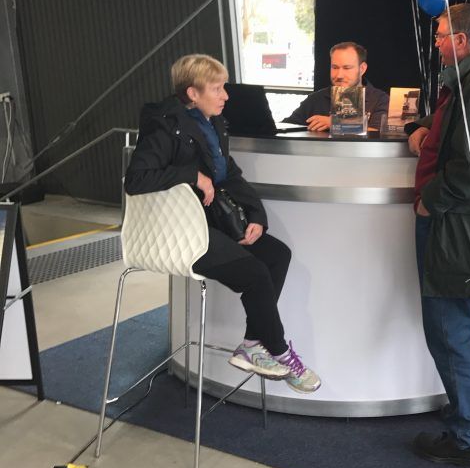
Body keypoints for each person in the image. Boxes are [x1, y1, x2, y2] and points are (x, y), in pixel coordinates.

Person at [124, 54, 321, 394]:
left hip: (206, 225)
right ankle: (278, 351)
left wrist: (256, 215)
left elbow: (229, 174)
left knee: (277, 255)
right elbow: (136, 179)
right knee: (256, 274)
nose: (225, 96)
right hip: (177, 233)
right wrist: (193, 175)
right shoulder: (164, 123)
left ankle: (253, 344)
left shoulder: (212, 124)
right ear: (193, 93)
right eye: (216, 89)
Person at [406, 4, 470, 465]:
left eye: (442, 35)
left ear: (462, 41)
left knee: (450, 329)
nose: (436, 43)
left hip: (456, 226)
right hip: (467, 226)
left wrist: (430, 199)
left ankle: (469, 436)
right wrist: (425, 127)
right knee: (468, 327)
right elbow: (459, 135)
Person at [284, 41, 389, 132]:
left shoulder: (380, 100)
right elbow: (286, 126)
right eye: (335, 67)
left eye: (347, 68)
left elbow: (379, 134)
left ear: (362, 68)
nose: (339, 75)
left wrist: (335, 123)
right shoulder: (316, 99)